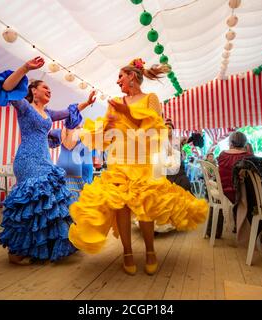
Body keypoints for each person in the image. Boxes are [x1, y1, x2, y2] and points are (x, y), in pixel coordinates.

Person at [68, 58, 208, 276]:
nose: (117, 81)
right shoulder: (116, 101)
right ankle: (127, 252)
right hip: (119, 161)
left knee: (145, 205)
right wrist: (103, 128)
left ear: (132, 76)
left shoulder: (151, 99)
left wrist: (127, 113)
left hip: (142, 162)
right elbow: (106, 134)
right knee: (121, 206)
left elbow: (155, 131)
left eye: (120, 76)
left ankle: (151, 251)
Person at [0, 56, 96, 265]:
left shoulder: (47, 113)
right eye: (45, 87)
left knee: (47, 201)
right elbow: (7, 87)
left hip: (44, 159)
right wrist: (26, 67)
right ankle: (17, 251)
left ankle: (39, 247)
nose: (49, 91)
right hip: (27, 158)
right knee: (32, 199)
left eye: (50, 89)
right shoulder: (24, 107)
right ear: (33, 91)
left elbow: (68, 112)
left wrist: (87, 103)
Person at [48, 123, 90, 202]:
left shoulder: (59, 132)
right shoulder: (83, 134)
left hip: (62, 162)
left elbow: (50, 143)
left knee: (60, 191)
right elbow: (84, 153)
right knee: (75, 192)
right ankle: (72, 211)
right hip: (76, 164)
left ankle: (62, 212)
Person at [217, 131, 252, 204]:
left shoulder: (222, 155)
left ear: (230, 142)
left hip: (224, 194)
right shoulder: (248, 156)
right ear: (245, 142)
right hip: (243, 195)